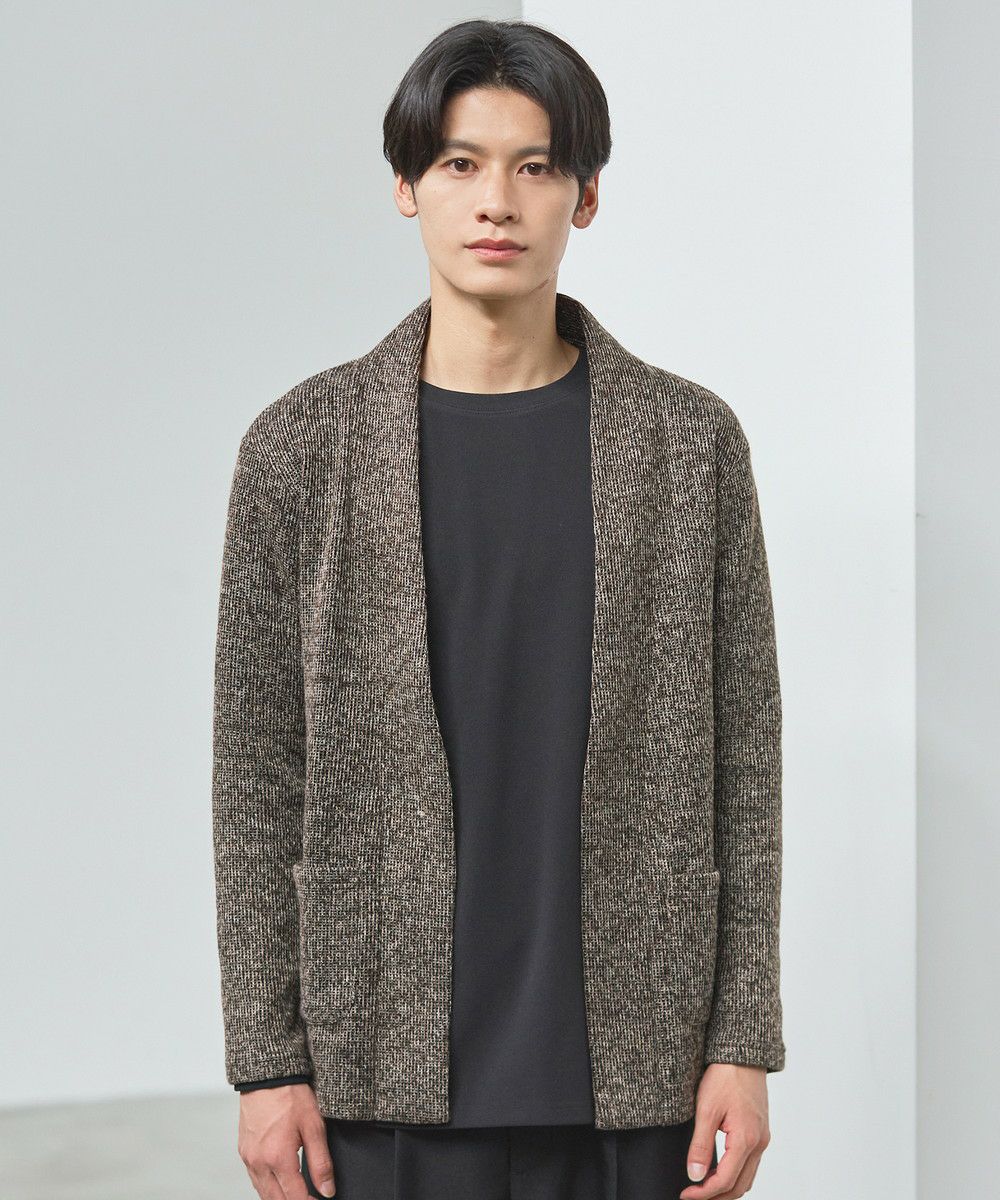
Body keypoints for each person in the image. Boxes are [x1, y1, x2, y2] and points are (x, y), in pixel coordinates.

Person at [211, 18, 785, 1200]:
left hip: (638, 1064)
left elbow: (746, 757)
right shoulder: (301, 449)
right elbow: (257, 771)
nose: (496, 202)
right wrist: (267, 1062)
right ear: (406, 187)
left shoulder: (688, 446)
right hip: (380, 1061)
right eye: (461, 163)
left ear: (585, 197)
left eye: (535, 166)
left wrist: (741, 1040)